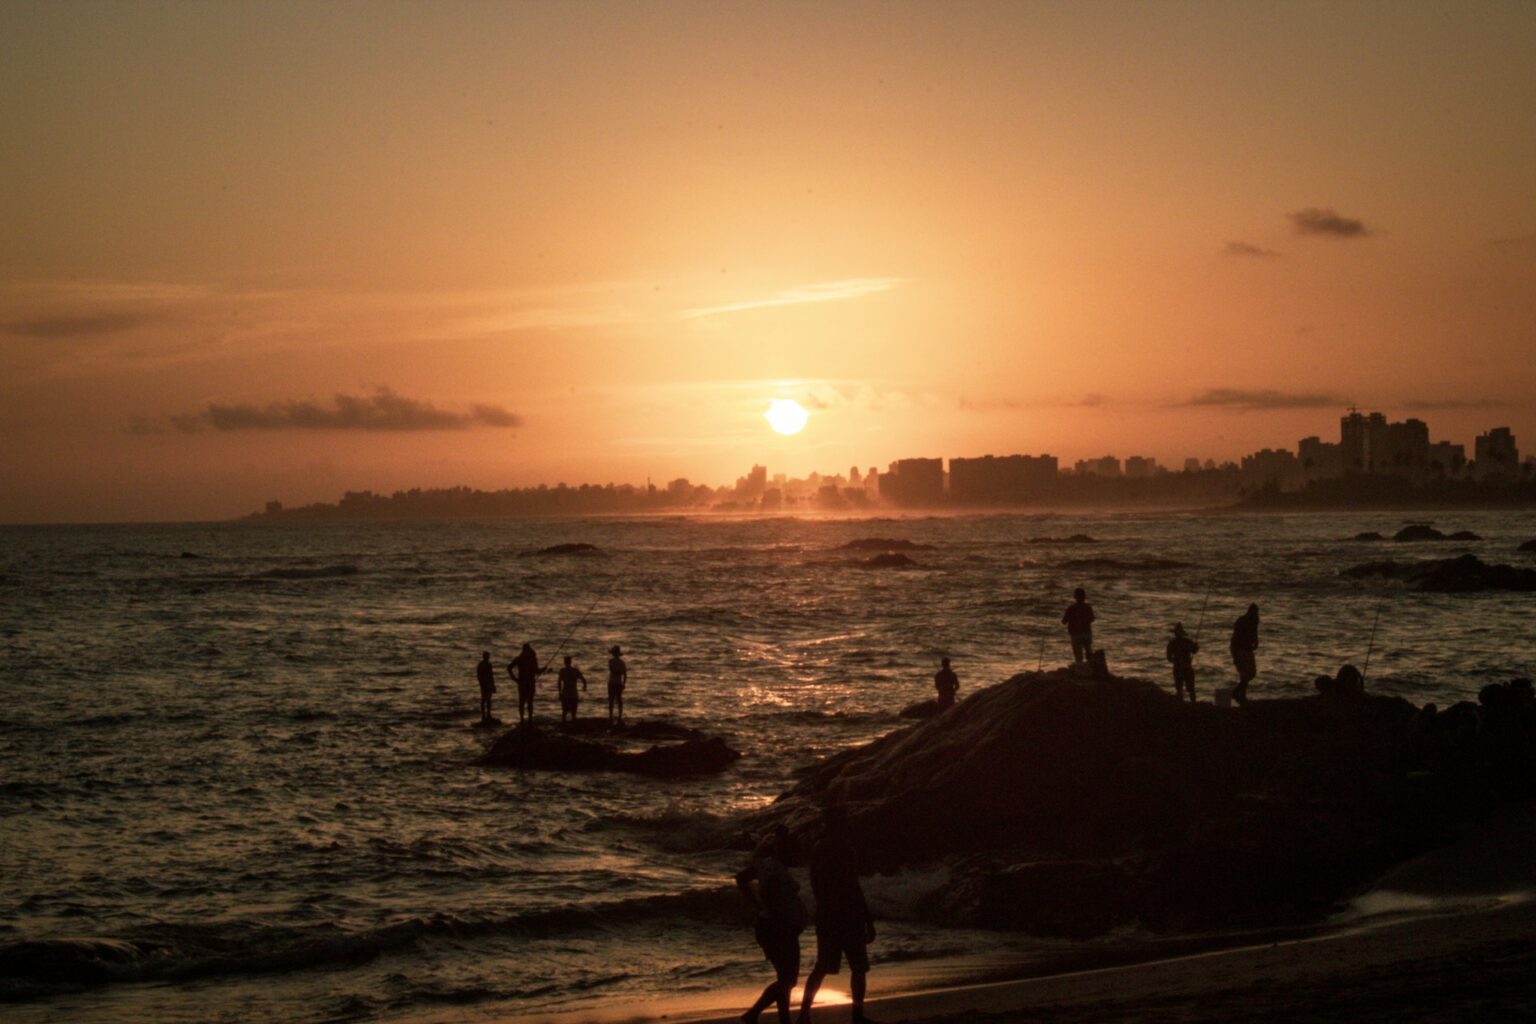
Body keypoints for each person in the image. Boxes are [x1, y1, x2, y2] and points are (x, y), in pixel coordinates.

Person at [798, 805, 875, 1024]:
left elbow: (816, 885)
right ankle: (857, 1016)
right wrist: (867, 918)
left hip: (828, 916)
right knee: (858, 967)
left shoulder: (819, 848)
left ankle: (804, 1014)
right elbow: (853, 885)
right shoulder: (844, 848)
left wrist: (825, 909)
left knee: (822, 967)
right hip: (848, 916)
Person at [735, 825, 805, 1024]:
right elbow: (770, 893)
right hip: (778, 928)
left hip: (772, 926)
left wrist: (757, 906)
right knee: (788, 980)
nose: (799, 857)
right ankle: (753, 1014)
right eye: (796, 852)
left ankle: (783, 1020)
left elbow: (741, 878)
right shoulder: (775, 869)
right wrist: (772, 912)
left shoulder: (768, 865)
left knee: (785, 978)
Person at [508, 643, 547, 723]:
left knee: (522, 701)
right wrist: (543, 669)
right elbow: (537, 671)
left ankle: (522, 719)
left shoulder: (519, 659)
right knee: (529, 701)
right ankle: (529, 720)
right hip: (529, 683)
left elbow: (509, 668)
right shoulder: (532, 660)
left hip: (522, 683)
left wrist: (514, 678)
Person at [1230, 603, 1260, 705]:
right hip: (1239, 649)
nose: (1255, 614)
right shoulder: (1241, 621)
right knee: (1245, 674)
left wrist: (1256, 642)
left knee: (1252, 673)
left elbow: (1255, 632)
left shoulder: (1255, 619)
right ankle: (1240, 695)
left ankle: (1238, 693)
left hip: (1247, 649)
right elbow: (1236, 637)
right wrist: (1235, 653)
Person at [1165, 623, 1199, 703]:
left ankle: (1182, 706)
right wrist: (1196, 646)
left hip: (1178, 668)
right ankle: (1194, 706)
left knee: (1180, 689)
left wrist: (1176, 661)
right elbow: (1194, 651)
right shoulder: (1187, 642)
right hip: (1187, 668)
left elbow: (1169, 658)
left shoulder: (1172, 643)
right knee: (1191, 690)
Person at [1062, 588, 1095, 663]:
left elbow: (1064, 621)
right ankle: (1091, 670)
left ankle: (1081, 671)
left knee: (1078, 657)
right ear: (1084, 597)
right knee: (1089, 654)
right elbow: (1092, 619)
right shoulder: (1088, 607)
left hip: (1075, 634)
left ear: (1075, 597)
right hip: (1087, 633)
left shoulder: (1071, 608)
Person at [556, 655, 587, 723]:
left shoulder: (562, 671)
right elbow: (584, 680)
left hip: (565, 693)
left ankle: (563, 724)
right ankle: (573, 724)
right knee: (574, 713)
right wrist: (584, 687)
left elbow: (559, 682)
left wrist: (559, 692)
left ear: (564, 662)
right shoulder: (575, 670)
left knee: (564, 712)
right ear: (570, 662)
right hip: (573, 693)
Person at [607, 645, 628, 723]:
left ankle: (610, 716)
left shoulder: (611, 661)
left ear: (613, 653)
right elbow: (625, 674)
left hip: (612, 682)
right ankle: (619, 717)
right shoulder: (622, 662)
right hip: (618, 683)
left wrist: (618, 673)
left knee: (611, 700)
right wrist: (624, 683)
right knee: (619, 700)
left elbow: (611, 670)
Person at [476, 651, 497, 722]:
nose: (488, 657)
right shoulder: (485, 665)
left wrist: (492, 685)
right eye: (487, 656)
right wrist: (492, 684)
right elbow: (489, 676)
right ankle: (486, 715)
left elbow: (490, 675)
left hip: (486, 684)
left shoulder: (484, 664)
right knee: (486, 700)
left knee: (486, 699)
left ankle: (486, 715)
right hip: (485, 684)